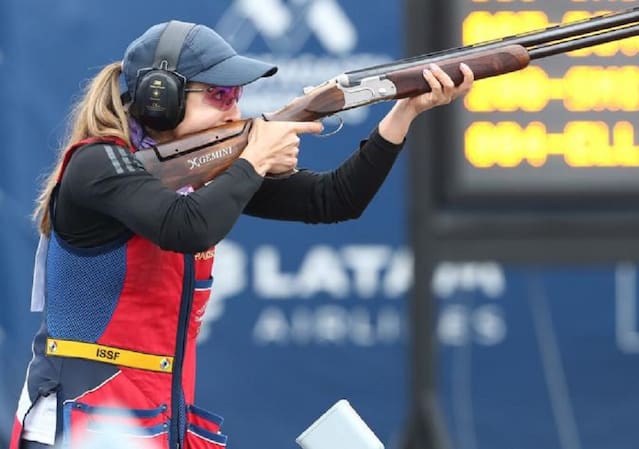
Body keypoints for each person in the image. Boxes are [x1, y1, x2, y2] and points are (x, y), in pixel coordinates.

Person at [9, 20, 473, 449]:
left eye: (237, 93)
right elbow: (185, 226)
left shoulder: (206, 170)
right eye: (221, 93)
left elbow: (333, 200)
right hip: (82, 419)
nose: (235, 106)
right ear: (159, 97)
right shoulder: (98, 163)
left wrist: (402, 115)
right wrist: (253, 161)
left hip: (154, 418)